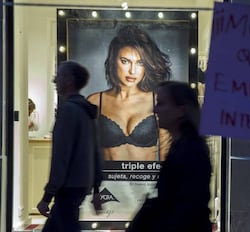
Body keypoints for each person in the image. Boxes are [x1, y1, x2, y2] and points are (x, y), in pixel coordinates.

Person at [127, 81, 212, 232]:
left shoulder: (190, 151)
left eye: (161, 104)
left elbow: (187, 206)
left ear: (180, 110)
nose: (155, 110)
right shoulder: (181, 146)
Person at [87, 25, 172, 161]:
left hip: (146, 181)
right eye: (125, 61)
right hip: (107, 180)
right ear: (113, 61)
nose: (132, 71)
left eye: (140, 63)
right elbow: (86, 153)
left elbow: (166, 155)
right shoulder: (96, 101)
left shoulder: (158, 101)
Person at [37, 61, 103, 231]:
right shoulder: (87, 111)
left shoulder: (68, 111)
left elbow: (61, 156)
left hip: (68, 185)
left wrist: (47, 196)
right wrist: (96, 187)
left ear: (69, 80)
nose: (54, 81)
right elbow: (97, 152)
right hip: (81, 184)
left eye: (58, 76)